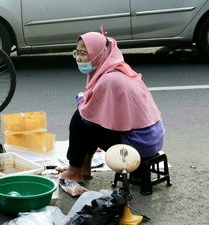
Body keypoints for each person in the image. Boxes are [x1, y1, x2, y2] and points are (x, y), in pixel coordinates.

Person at [60, 31, 165, 183]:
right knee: (90, 117)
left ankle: (74, 170)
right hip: (151, 139)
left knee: (80, 120)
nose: (78, 58)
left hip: (137, 146)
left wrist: (81, 100)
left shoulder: (109, 79)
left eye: (83, 53)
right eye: (76, 52)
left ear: (98, 53)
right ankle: (84, 168)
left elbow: (88, 115)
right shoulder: (119, 69)